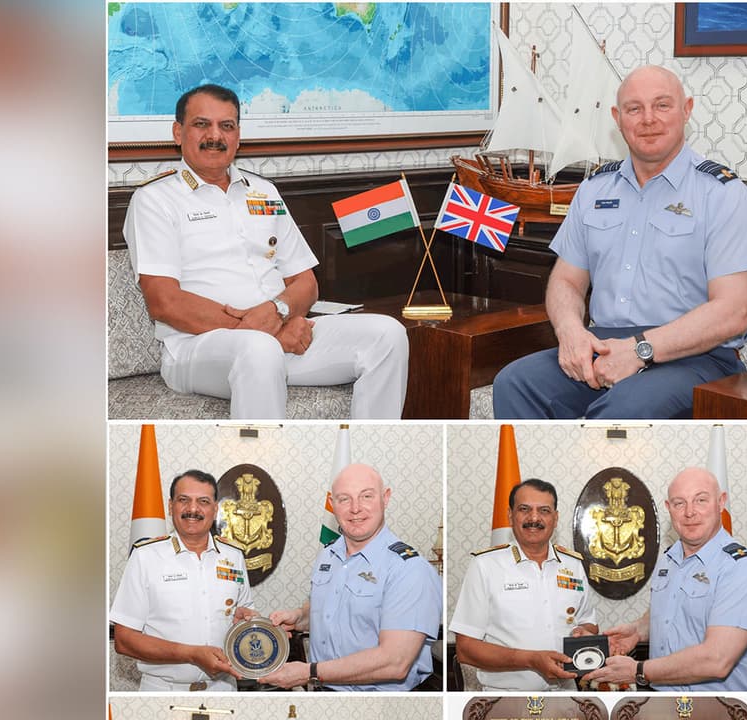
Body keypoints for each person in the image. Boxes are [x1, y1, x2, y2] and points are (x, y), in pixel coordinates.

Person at [493, 66, 747, 419]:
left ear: (687, 110)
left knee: (628, 406)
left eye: (662, 105)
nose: (648, 119)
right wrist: (570, 333)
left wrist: (640, 349)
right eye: (634, 109)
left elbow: (733, 312)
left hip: (694, 358)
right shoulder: (594, 190)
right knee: (515, 382)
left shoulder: (724, 196)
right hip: (604, 344)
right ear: (617, 119)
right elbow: (565, 280)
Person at [122, 83, 409, 419]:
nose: (215, 135)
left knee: (388, 336)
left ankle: (363, 464)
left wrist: (280, 312)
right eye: (202, 124)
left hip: (278, 332)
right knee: (259, 350)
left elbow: (306, 282)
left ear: (238, 135)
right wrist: (269, 331)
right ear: (177, 132)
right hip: (197, 348)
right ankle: (262, 468)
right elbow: (164, 302)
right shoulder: (154, 200)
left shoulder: (264, 192)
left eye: (226, 126)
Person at [583, 467, 747, 691]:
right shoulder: (668, 559)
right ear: (669, 508)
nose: (689, 512)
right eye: (679, 503)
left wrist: (638, 671)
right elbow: (672, 614)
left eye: (701, 500)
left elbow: (717, 660)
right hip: (664, 704)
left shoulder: (742, 570)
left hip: (722, 710)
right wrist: (637, 630)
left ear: (721, 502)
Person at [260, 463, 441, 691]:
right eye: (344, 499)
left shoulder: (409, 569)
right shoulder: (328, 555)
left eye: (366, 496)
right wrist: (298, 617)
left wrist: (310, 672)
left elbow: (395, 662)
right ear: (332, 504)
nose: (356, 508)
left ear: (385, 498)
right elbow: (331, 610)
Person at [110, 470, 256, 691]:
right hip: (162, 691)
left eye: (203, 502)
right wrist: (191, 654)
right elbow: (124, 640)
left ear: (215, 509)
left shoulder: (233, 556)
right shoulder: (145, 556)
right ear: (171, 506)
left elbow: (242, 618)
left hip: (223, 689)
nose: (193, 509)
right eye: (184, 500)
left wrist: (249, 623)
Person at [450, 479, 600, 691]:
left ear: (555, 518)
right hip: (505, 701)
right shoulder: (485, 565)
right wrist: (530, 660)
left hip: (565, 696)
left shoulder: (573, 564)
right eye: (524, 509)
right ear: (511, 515)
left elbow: (589, 623)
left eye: (544, 511)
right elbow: (466, 649)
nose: (534, 518)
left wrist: (583, 632)